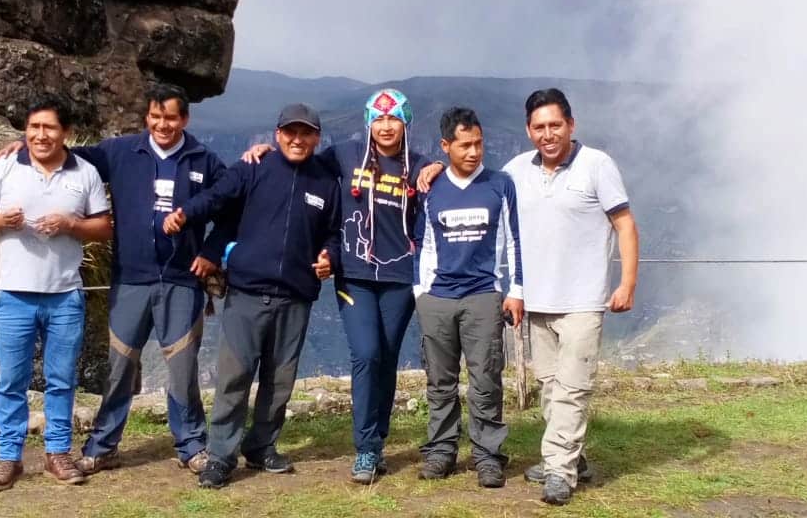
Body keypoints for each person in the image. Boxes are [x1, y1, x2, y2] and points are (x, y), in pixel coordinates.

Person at [0, 83, 235, 476]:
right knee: (120, 367)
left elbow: (230, 205)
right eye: (155, 117)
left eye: (171, 117)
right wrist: (21, 145)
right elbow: (67, 155)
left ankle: (191, 447)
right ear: (146, 117)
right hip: (131, 280)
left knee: (183, 369)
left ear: (184, 119)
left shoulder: (204, 160)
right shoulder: (121, 151)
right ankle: (103, 447)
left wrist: (210, 252)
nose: (162, 125)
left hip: (181, 282)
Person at [417, 88, 639, 505]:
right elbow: (469, 177)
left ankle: (559, 470)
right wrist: (432, 168)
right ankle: (572, 457)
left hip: (582, 300)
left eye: (556, 125)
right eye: (539, 127)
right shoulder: (516, 171)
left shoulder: (597, 165)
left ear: (571, 125)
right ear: (528, 131)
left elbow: (625, 224)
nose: (548, 134)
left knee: (572, 387)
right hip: (537, 303)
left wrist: (626, 284)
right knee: (551, 387)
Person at [241, 89, 432, 484]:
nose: (385, 127)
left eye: (393, 119)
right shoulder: (344, 155)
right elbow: (302, 163)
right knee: (365, 354)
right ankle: (365, 450)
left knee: (387, 358)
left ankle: (377, 440)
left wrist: (440, 168)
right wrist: (264, 152)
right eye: (378, 120)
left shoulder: (419, 164)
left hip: (399, 277)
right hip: (354, 275)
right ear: (368, 122)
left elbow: (444, 182)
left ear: (405, 122)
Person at [163, 103, 342, 489]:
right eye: (290, 132)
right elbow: (216, 198)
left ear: (316, 138)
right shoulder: (254, 167)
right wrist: (185, 214)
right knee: (234, 377)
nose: (298, 139)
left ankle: (261, 446)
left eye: (306, 133)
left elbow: (334, 232)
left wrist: (331, 256)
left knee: (280, 381)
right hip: (246, 292)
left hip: (295, 296)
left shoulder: (326, 183)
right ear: (276, 135)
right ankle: (221, 456)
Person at [0, 95, 112, 491]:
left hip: (65, 293)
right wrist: (1, 220)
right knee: (10, 380)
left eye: (49, 128)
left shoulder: (85, 173)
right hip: (13, 293)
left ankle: (58, 454)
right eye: (34, 128)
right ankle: (8, 458)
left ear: (65, 132)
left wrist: (70, 224)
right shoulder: (4, 168)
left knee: (61, 378)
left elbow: (103, 226)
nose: (40, 135)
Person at [412, 107, 523, 488]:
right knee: (439, 381)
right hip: (438, 298)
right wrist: (420, 292)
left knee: (486, 379)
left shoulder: (499, 184)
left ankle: (488, 456)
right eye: (464, 145)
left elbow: (514, 241)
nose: (474, 152)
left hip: (483, 296)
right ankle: (441, 451)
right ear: (445, 146)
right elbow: (421, 243)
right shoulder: (431, 189)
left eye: (478, 143)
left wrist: (515, 291)